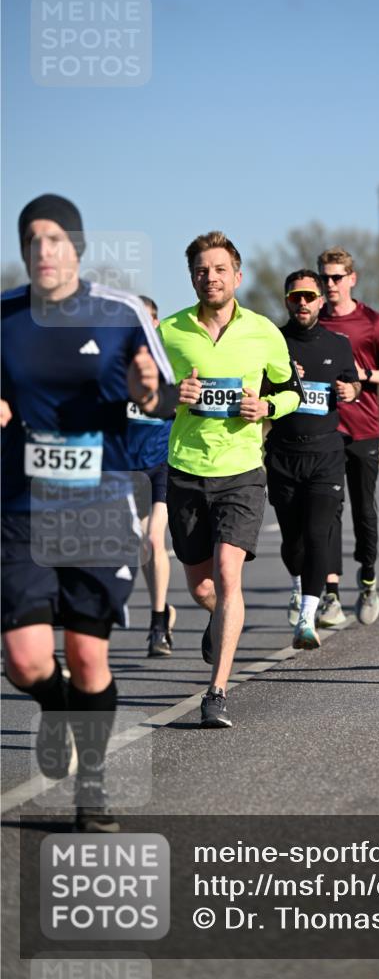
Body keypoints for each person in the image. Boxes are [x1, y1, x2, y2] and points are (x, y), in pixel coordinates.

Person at [1, 194, 173, 831]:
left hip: (98, 505)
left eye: (54, 239)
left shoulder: (120, 313)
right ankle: (54, 704)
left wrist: (148, 391)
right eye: (31, 241)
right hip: (21, 503)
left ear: (76, 247)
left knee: (88, 653)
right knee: (23, 659)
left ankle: (92, 787)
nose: (43, 251)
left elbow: (163, 401)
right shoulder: (6, 317)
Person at [157, 231, 300, 728]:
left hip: (241, 471)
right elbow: (143, 394)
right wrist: (173, 393)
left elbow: (291, 390)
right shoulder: (168, 331)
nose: (210, 276)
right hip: (186, 470)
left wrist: (268, 406)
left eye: (219, 269)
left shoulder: (263, 331)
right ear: (191, 276)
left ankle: (216, 690)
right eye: (201, 269)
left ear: (237, 276)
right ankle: (219, 619)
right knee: (201, 587)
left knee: (228, 571)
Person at [265, 270, 360, 648]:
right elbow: (253, 389)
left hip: (325, 453)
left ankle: (306, 619)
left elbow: (352, 383)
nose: (301, 303)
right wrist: (279, 382)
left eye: (309, 297)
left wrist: (350, 390)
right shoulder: (272, 341)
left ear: (321, 301)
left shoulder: (338, 344)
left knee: (319, 534)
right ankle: (297, 583)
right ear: (287, 301)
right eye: (295, 297)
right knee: (293, 543)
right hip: (285, 453)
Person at [316, 247, 379, 627]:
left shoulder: (373, 322)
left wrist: (364, 376)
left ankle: (368, 579)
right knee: (328, 512)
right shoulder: (313, 321)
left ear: (352, 278)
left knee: (364, 510)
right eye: (324, 277)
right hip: (324, 431)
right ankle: (331, 595)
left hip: (364, 430)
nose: (330, 284)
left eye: (337, 277)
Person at [125, 295, 176, 657]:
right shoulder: (116, 368)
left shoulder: (172, 365)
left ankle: (158, 625)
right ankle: (163, 607)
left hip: (163, 464)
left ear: (156, 324)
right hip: (126, 469)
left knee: (154, 540)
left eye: (147, 320)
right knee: (138, 543)